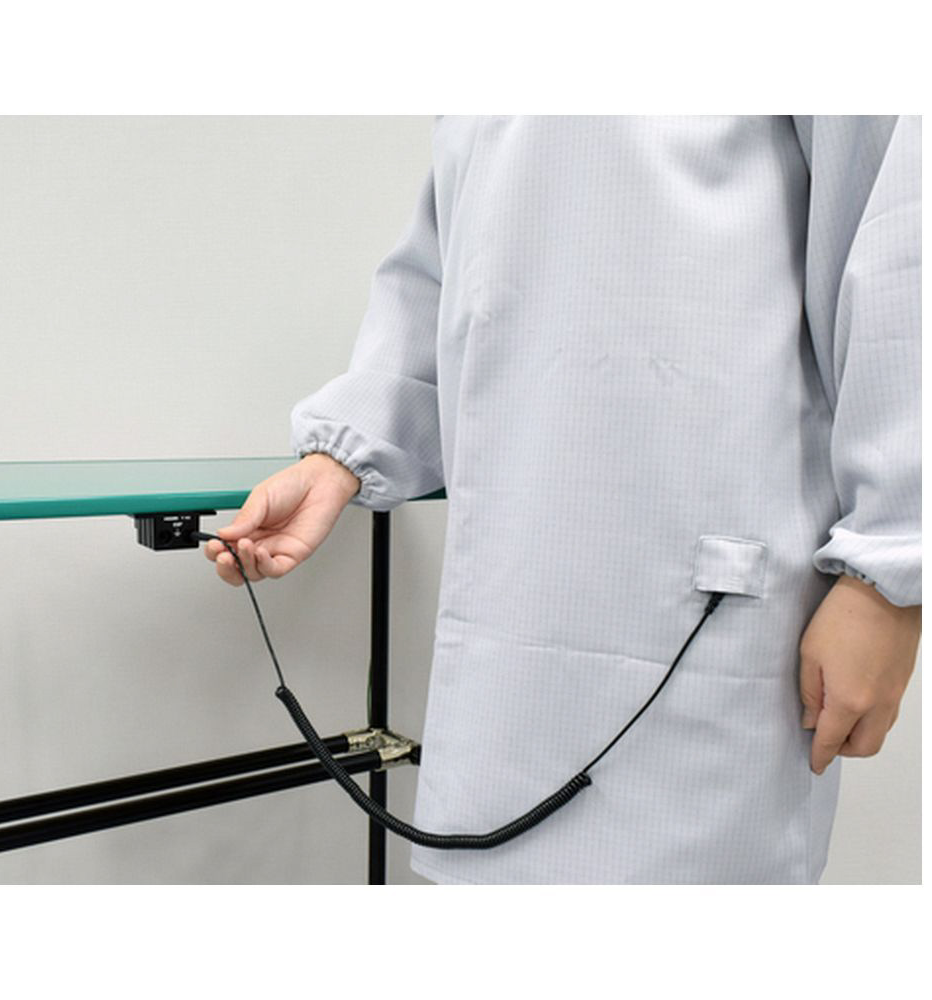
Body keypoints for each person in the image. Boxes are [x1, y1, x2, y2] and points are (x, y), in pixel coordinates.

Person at [203, 116, 921, 884]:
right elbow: (458, 264)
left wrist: (890, 571)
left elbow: (903, 235)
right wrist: (344, 452)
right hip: (511, 607)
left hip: (706, 592)